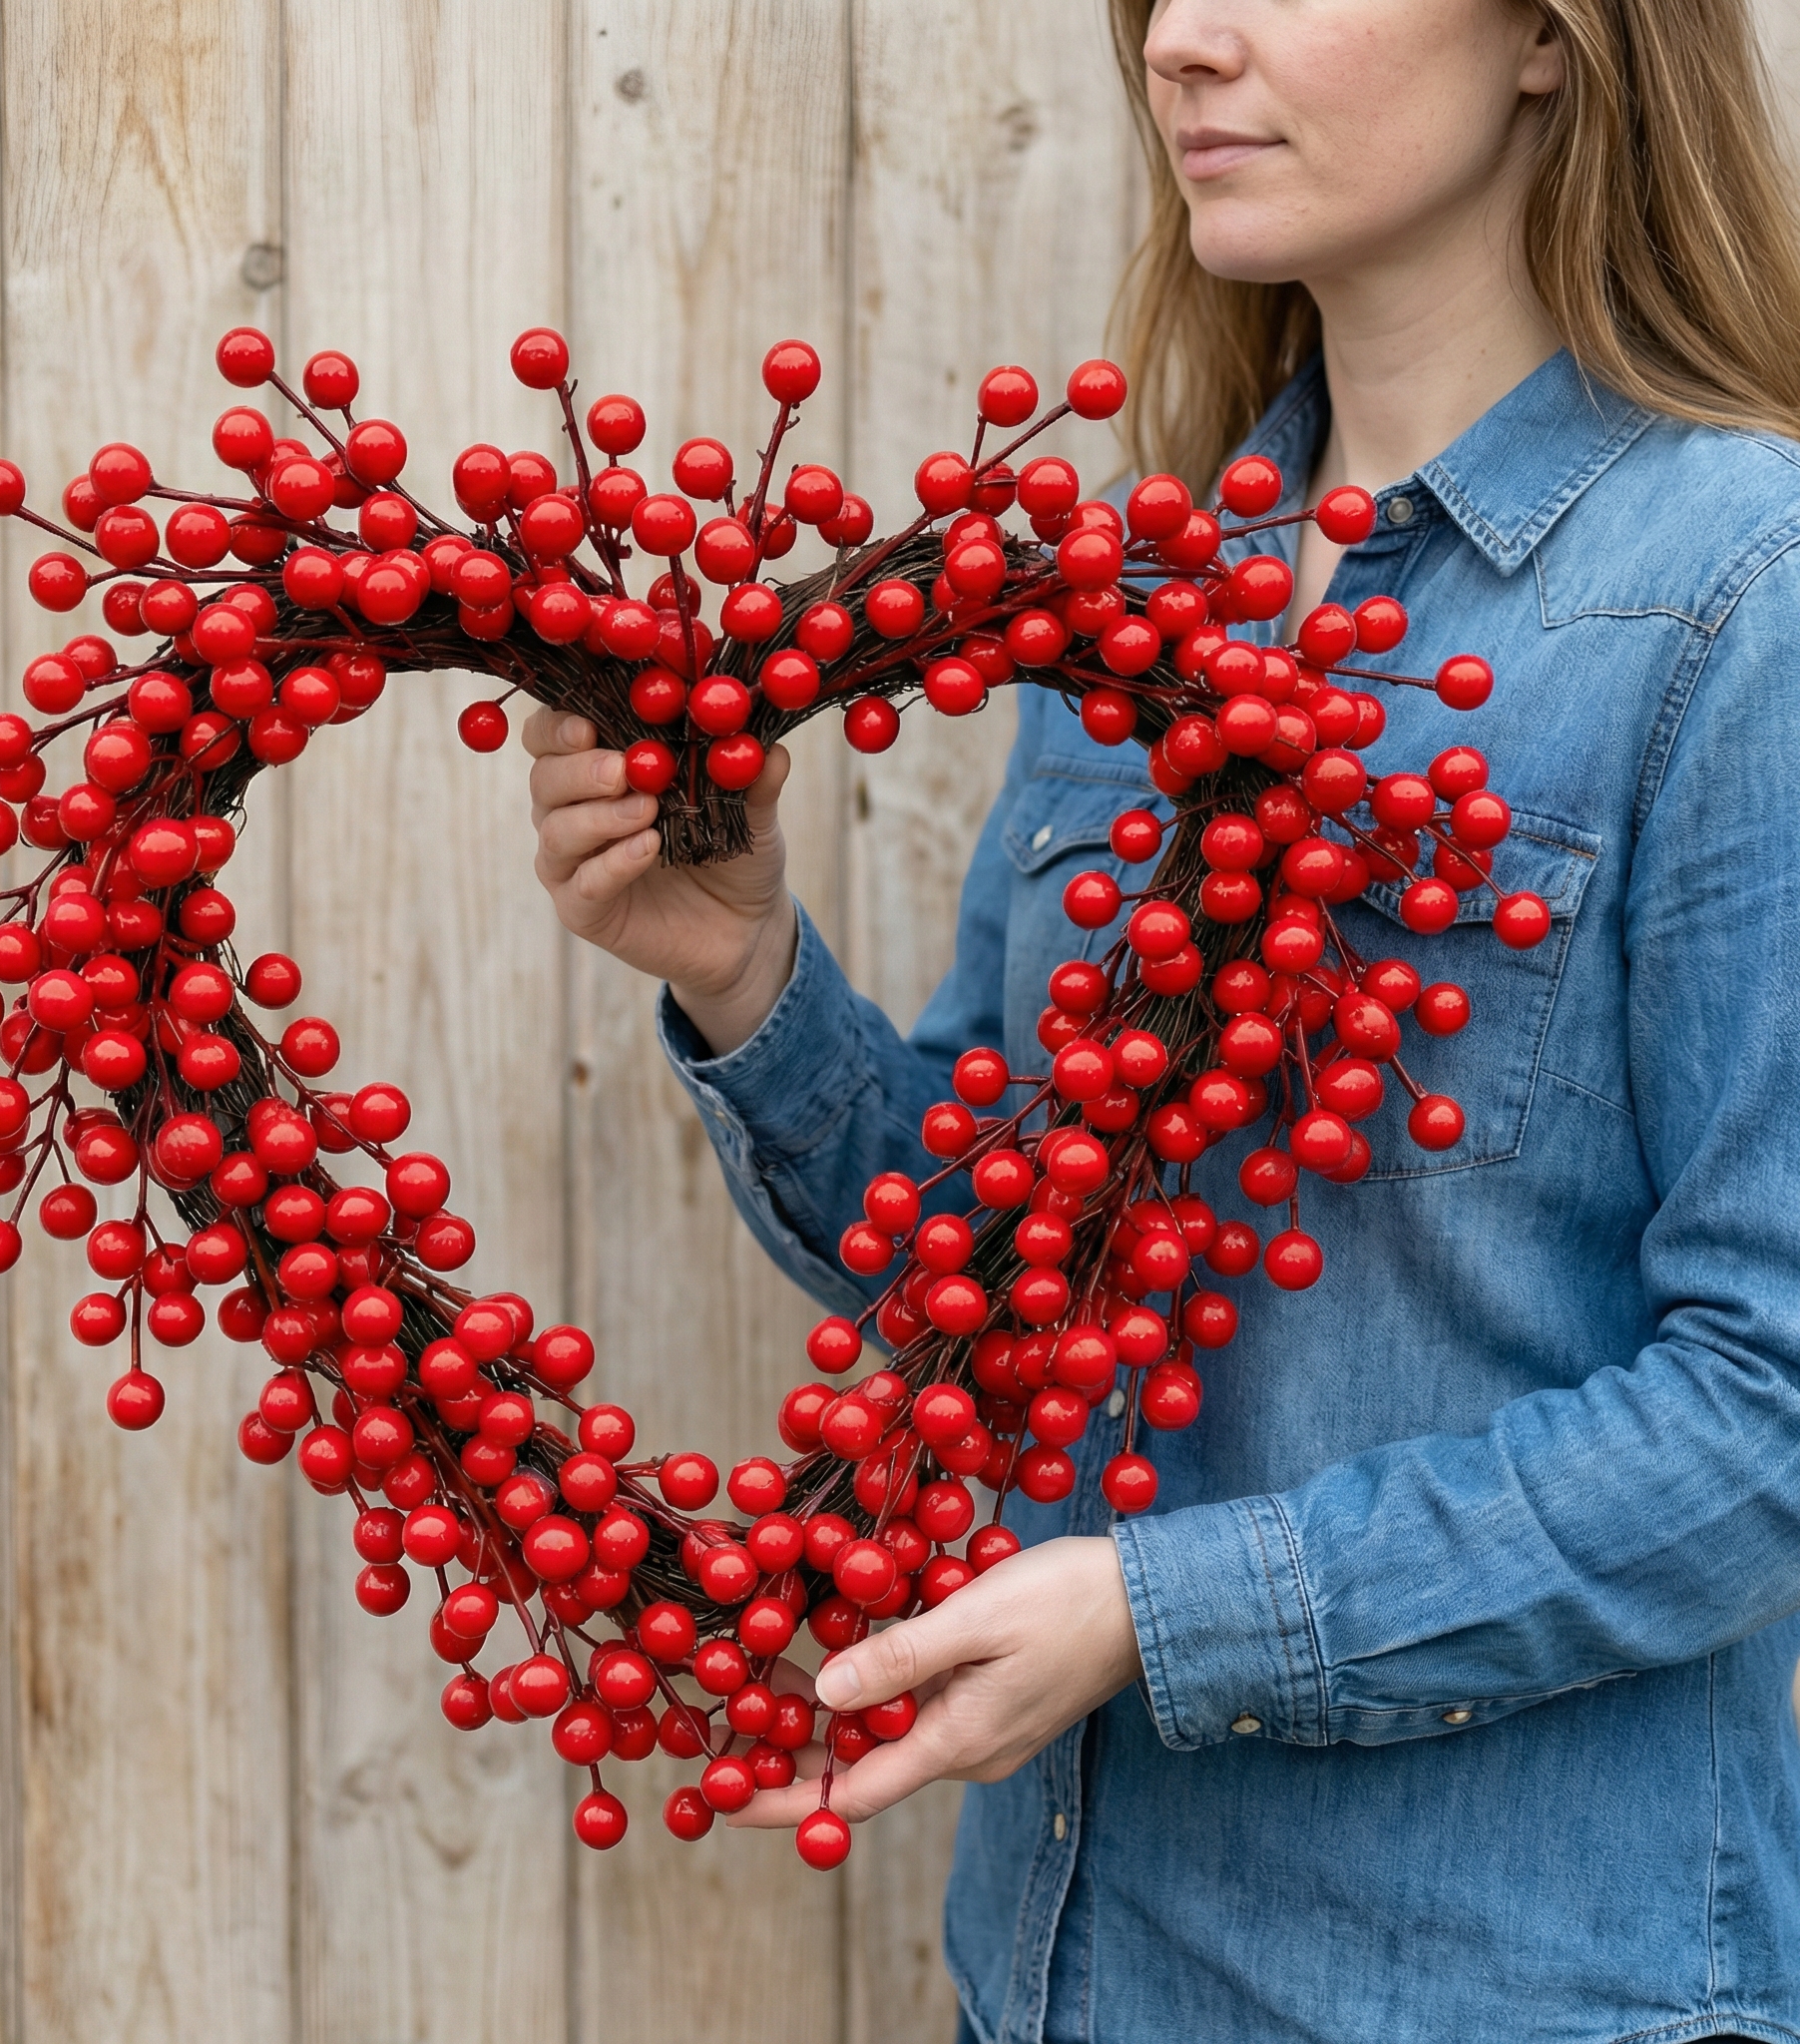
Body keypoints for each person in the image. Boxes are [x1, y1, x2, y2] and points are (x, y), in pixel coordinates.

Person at [524, 0, 1800, 2035]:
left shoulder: (1744, 598)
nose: (1184, 41)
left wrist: (1158, 1610)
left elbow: (1769, 1420)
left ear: (1556, 36)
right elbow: (994, 1275)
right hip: (1049, 1978)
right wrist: (740, 967)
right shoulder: (1137, 605)